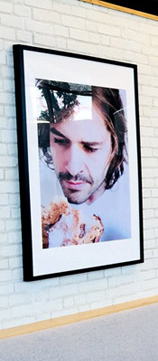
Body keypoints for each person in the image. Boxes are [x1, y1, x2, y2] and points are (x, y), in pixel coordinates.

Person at [37, 80, 131, 247]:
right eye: (60, 141)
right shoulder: (38, 192)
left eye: (90, 147)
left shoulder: (126, 216)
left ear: (115, 144)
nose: (73, 169)